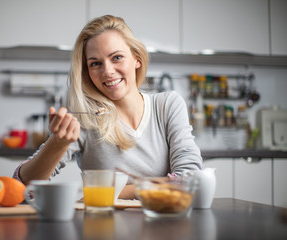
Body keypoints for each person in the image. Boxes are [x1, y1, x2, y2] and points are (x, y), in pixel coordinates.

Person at [13, 15, 202, 199]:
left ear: (137, 59)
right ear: (87, 72)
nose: (108, 71)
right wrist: (57, 143)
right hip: (102, 228)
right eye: (95, 63)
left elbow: (189, 180)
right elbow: (22, 188)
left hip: (165, 224)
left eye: (117, 57)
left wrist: (104, 192)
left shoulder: (168, 105)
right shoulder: (83, 119)